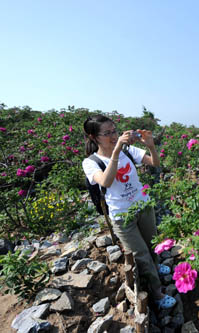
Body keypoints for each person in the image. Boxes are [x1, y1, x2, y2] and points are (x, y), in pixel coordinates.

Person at [82, 115, 176, 310]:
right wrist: (115, 152)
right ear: (94, 137)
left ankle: (157, 266)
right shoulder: (91, 162)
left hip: (143, 206)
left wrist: (150, 145)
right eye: (106, 133)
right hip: (122, 216)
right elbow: (106, 181)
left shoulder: (128, 150)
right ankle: (157, 294)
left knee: (152, 242)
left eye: (114, 130)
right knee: (140, 253)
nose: (113, 135)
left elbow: (155, 163)